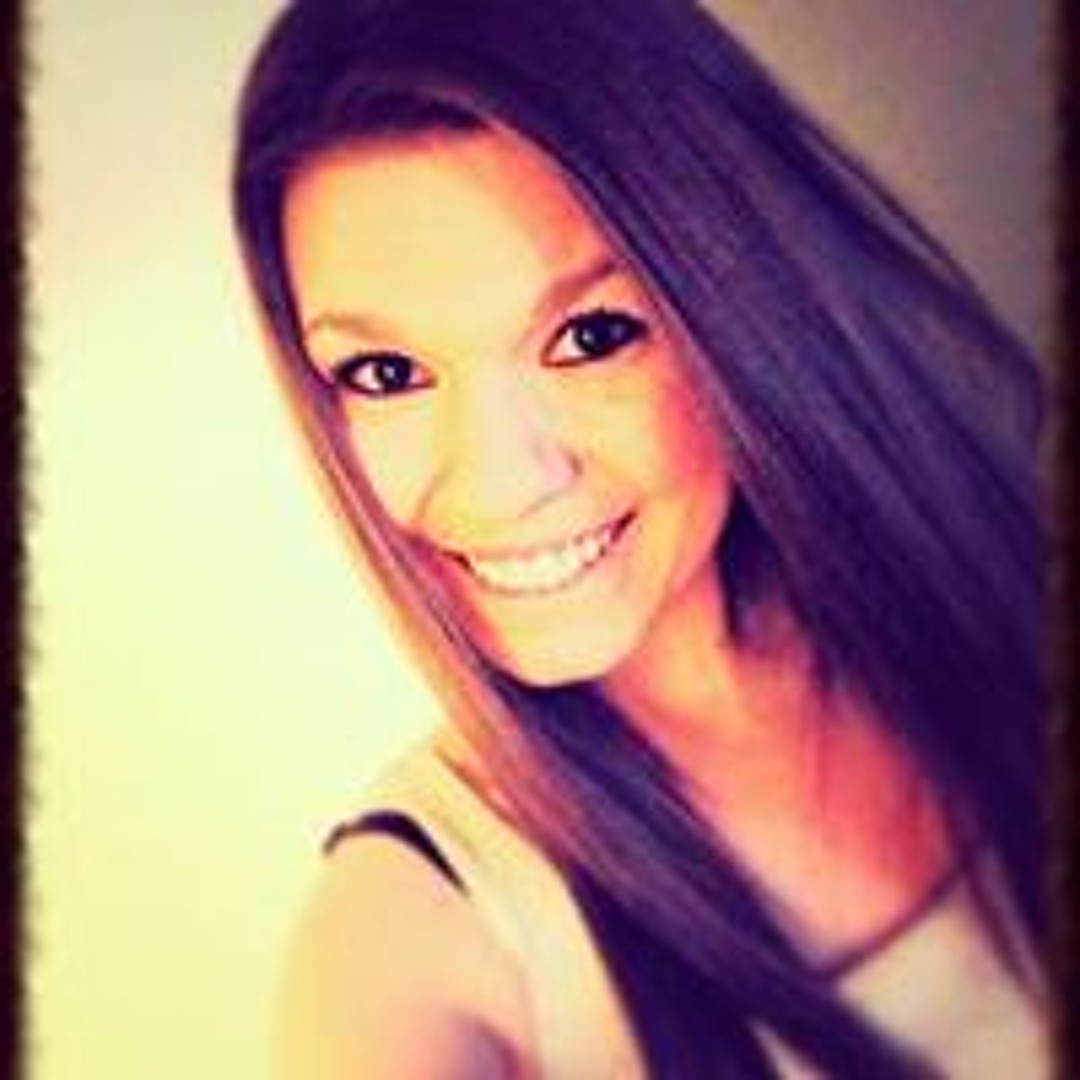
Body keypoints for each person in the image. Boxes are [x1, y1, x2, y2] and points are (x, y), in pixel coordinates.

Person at [231, 1, 1049, 1076]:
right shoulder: (419, 940)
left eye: (592, 335)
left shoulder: (1008, 596)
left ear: (741, 311)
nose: (500, 481)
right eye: (385, 374)